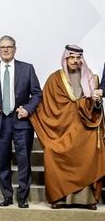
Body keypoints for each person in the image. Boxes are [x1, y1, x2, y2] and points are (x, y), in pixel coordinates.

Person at [30, 45, 104, 209]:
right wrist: (29, 112)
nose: (75, 61)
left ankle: (87, 200)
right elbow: (47, 106)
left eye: (78, 58)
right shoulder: (55, 79)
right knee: (53, 151)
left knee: (90, 155)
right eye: (72, 58)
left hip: (85, 131)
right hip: (62, 130)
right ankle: (60, 198)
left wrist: (96, 102)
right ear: (65, 59)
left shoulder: (91, 79)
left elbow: (96, 110)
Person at [0, 36, 42, 208]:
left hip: (22, 122)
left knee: (24, 162)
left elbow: (37, 94)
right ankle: (7, 196)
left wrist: (28, 109)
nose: (6, 50)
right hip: (0, 123)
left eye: (9, 47)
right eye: (2, 47)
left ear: (15, 49)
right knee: (3, 161)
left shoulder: (27, 69)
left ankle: (23, 197)